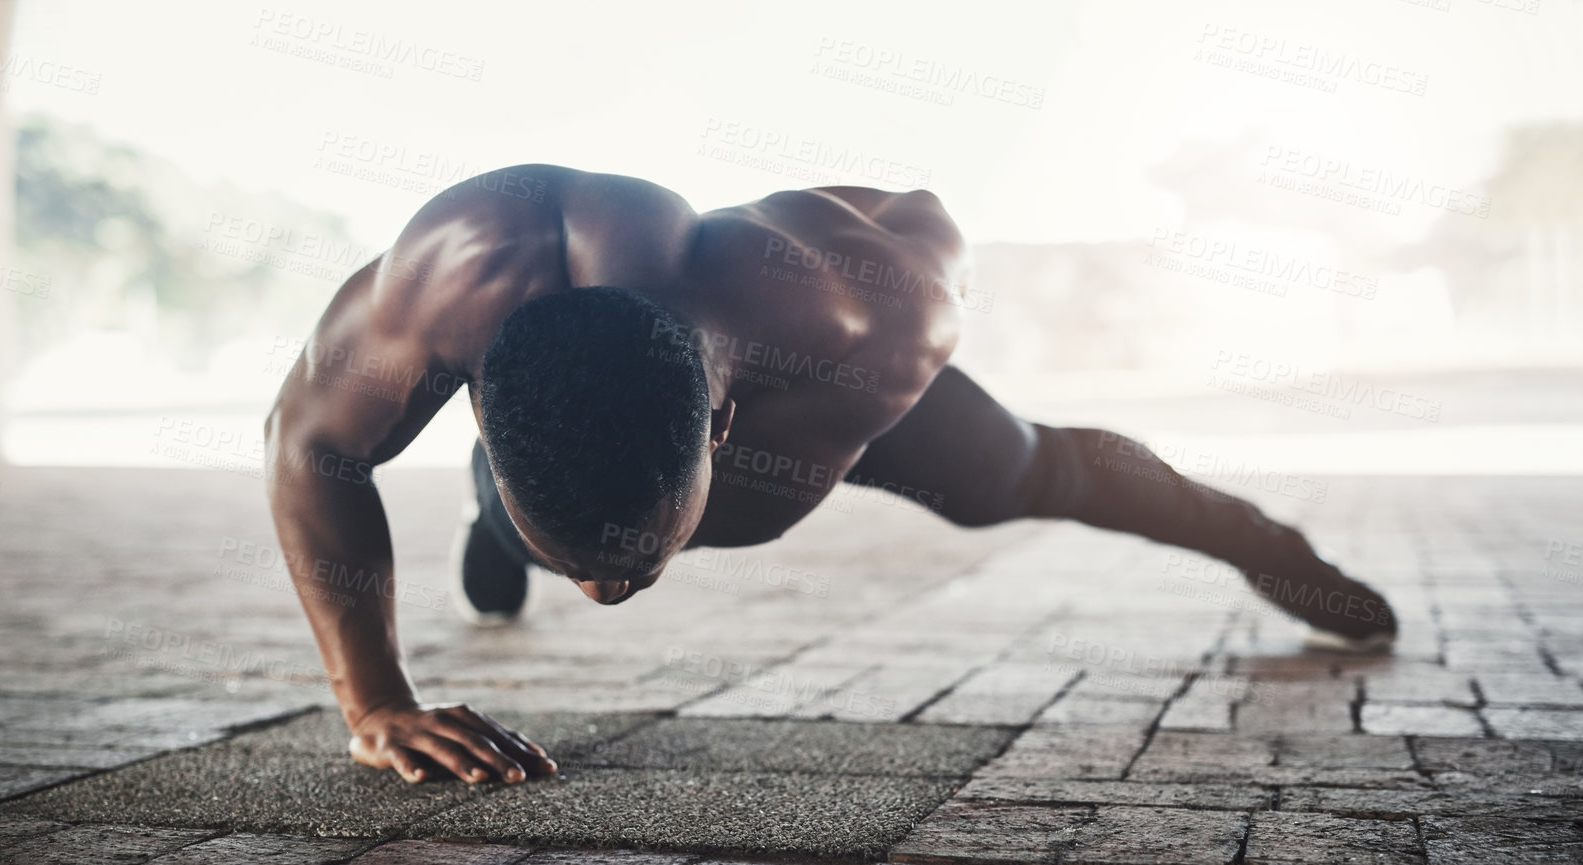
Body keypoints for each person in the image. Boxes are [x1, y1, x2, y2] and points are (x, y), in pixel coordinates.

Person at [265, 164, 1395, 786]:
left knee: (1026, 474)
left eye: (637, 569)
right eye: (600, 573)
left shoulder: (871, 319)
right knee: (532, 537)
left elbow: (925, 213)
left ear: (719, 426)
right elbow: (309, 443)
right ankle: (499, 523)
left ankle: (1264, 545)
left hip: (812, 392)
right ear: (475, 393)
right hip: (596, 433)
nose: (607, 601)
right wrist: (375, 704)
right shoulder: (456, 275)